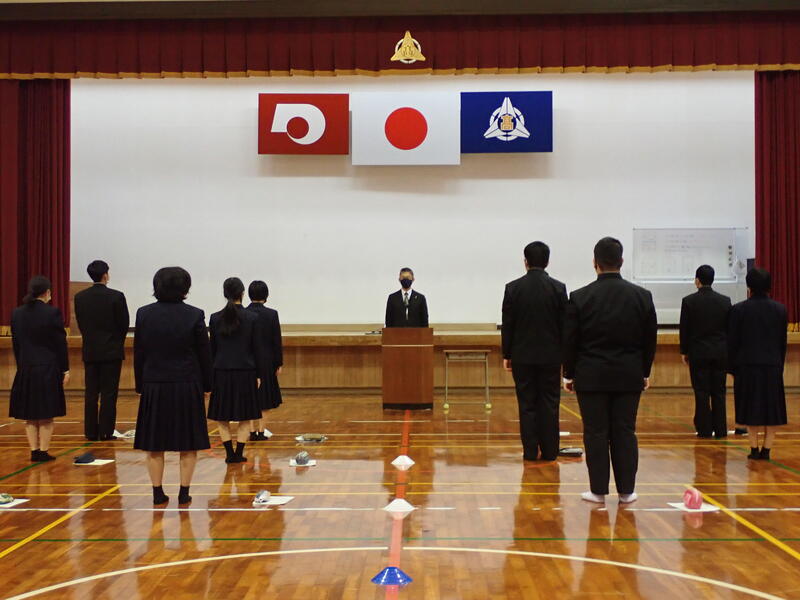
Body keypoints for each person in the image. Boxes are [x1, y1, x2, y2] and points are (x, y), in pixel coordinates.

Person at [563, 237, 657, 505]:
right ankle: (627, 491)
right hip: (629, 375)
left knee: (595, 432)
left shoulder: (579, 297)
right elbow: (649, 339)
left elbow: (570, 340)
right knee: (625, 431)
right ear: (622, 261)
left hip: (591, 375)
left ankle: (598, 491)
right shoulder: (642, 296)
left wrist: (568, 373)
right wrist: (644, 372)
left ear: (595, 263)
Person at [133, 267, 212, 505]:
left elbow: (139, 352)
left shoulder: (144, 313)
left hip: (154, 383)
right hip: (187, 383)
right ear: (185, 288)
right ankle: (184, 491)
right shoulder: (194, 314)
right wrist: (208, 385)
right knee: (188, 443)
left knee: (154, 443)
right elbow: (204, 354)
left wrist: (140, 385)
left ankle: (157, 492)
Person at [501, 241, 567, 462]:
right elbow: (564, 325)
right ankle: (550, 451)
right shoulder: (558, 288)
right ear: (547, 262)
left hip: (522, 356)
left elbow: (508, 325)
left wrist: (507, 354)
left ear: (525, 262)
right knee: (550, 403)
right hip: (551, 356)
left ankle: (530, 451)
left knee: (527, 404)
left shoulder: (513, 288)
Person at [728, 267, 788, 460]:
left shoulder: (738, 309)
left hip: (746, 366)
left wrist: (732, 369)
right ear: (769, 286)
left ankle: (753, 449)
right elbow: (782, 342)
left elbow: (733, 342)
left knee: (750, 407)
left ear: (749, 286)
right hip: (772, 365)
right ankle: (767, 450)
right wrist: (779, 365)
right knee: (772, 409)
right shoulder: (780, 310)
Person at [10, 276, 69, 462]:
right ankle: (43, 450)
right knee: (46, 413)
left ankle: (34, 450)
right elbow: (60, 344)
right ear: (47, 292)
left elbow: (16, 343)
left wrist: (21, 364)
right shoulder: (52, 313)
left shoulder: (17, 313)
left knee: (30, 414)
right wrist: (65, 369)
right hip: (48, 367)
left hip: (26, 367)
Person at [207, 277, 262, 463]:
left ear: (225, 294)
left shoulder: (215, 318)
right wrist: (259, 374)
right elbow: (256, 349)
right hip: (246, 372)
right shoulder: (252, 318)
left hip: (221, 372)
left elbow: (212, 350)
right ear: (242, 293)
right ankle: (239, 453)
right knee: (245, 416)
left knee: (222, 416)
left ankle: (229, 454)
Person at [74, 260, 130, 441]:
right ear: (105, 275)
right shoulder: (116, 296)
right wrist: (116, 342)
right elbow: (124, 324)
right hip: (111, 351)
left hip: (90, 350)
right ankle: (106, 431)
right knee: (109, 393)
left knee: (91, 392)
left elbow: (81, 323)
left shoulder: (80, 297)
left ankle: (90, 432)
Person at [679, 265, 732, 439]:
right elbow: (729, 329)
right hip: (720, 353)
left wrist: (684, 351)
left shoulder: (689, 301)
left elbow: (684, 329)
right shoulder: (725, 301)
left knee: (701, 392)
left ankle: (704, 430)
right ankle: (721, 429)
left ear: (697, 280)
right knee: (719, 392)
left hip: (698, 353)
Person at [246, 280, 283, 441]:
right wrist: (278, 362)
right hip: (267, 362)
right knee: (265, 398)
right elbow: (276, 340)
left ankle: (251, 431)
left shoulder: (244, 313)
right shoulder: (271, 314)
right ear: (266, 295)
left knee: (249, 397)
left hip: (247, 361)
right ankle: (261, 432)